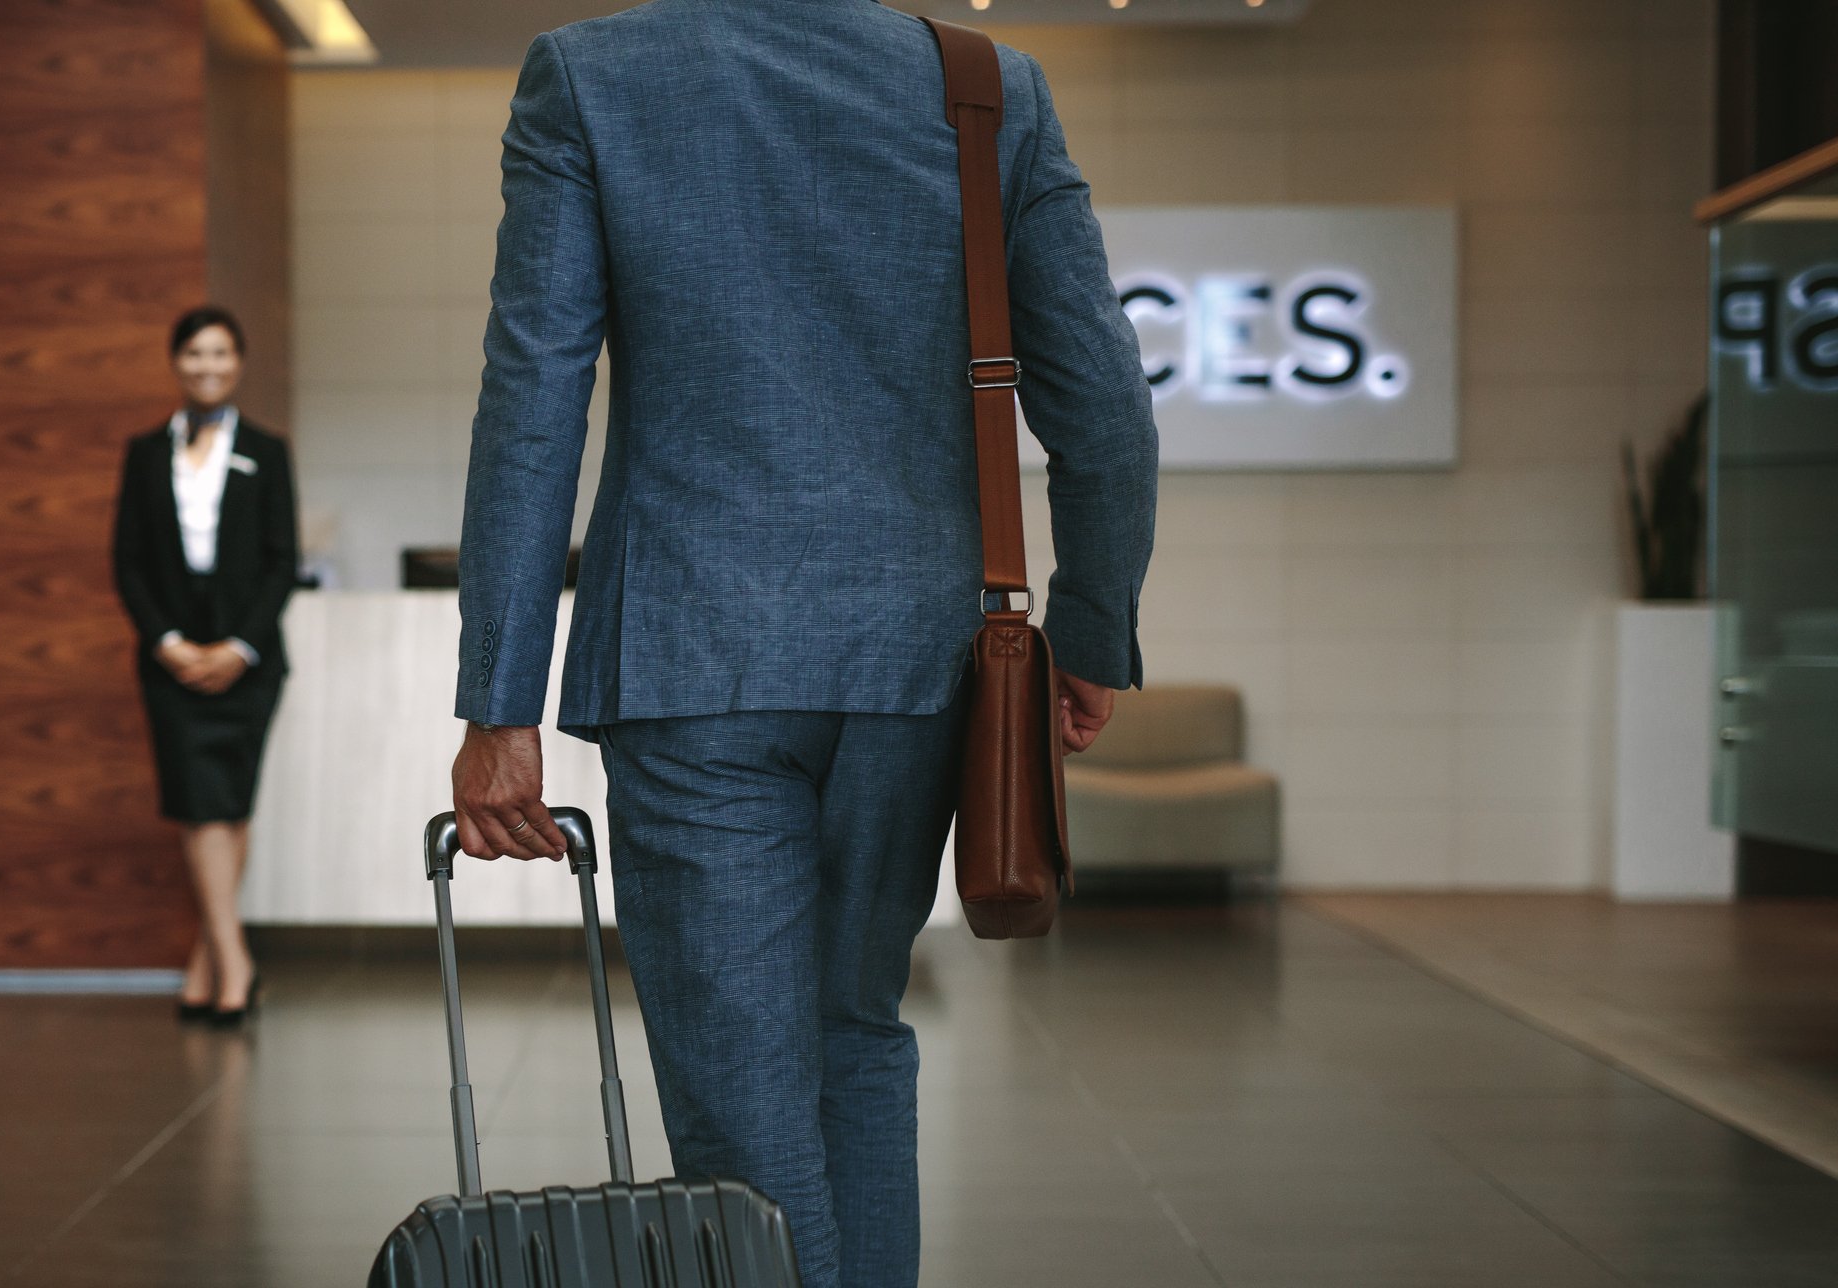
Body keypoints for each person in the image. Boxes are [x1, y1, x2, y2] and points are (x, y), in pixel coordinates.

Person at [447, 4, 1157, 1287]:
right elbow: (1103, 396)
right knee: (854, 1038)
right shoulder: (986, 86)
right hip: (915, 657)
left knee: (738, 1106)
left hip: (689, 653)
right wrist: (1093, 627)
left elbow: (534, 391)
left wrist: (501, 704)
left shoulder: (593, 75)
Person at [112, 306, 300, 1029]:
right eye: (194, 353)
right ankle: (237, 963)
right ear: (176, 361)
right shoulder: (142, 453)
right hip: (171, 663)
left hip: (249, 661)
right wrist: (168, 642)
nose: (208, 366)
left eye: (221, 352)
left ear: (240, 361)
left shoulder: (267, 450)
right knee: (200, 807)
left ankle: (206, 966)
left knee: (232, 804)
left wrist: (238, 648)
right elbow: (127, 562)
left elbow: (282, 562)